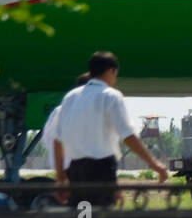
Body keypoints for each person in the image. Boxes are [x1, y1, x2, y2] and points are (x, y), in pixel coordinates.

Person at [53, 51, 168, 206]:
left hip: (75, 170)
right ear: (111, 71)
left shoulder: (70, 97)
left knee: (83, 216)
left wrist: (61, 177)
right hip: (101, 169)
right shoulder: (111, 96)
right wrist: (154, 164)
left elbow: (58, 140)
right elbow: (128, 135)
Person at [41, 73, 90, 170]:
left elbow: (47, 139)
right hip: (84, 167)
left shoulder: (60, 110)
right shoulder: (93, 111)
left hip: (64, 166)